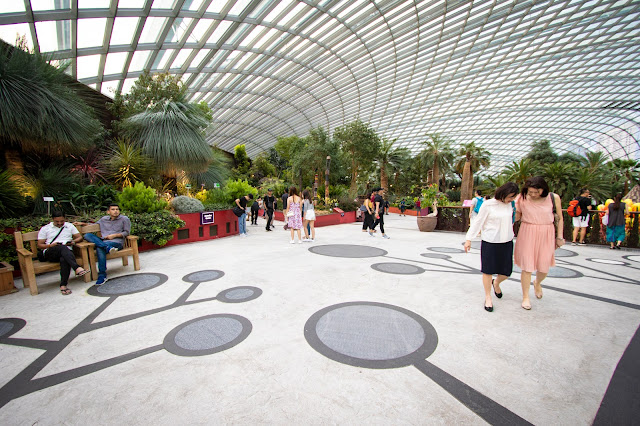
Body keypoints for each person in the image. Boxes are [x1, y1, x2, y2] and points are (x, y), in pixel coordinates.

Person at [464, 182, 519, 312]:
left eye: (513, 197)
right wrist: (468, 239)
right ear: (503, 193)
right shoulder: (488, 205)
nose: (511, 199)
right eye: (510, 196)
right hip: (490, 241)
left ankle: (497, 283)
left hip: (506, 241)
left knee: (506, 272)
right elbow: (478, 222)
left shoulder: (510, 205)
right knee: (488, 270)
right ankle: (488, 297)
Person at [514, 176, 564, 310]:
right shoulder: (521, 198)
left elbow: (559, 218)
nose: (533, 195)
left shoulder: (554, 198)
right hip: (527, 231)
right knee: (527, 266)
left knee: (544, 266)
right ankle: (526, 297)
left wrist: (559, 236)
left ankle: (537, 282)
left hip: (546, 232)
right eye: (530, 192)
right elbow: (517, 215)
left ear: (544, 189)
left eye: (536, 192)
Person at [37, 210, 89, 295]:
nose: (59, 223)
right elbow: (40, 245)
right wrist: (51, 245)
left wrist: (73, 242)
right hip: (51, 252)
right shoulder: (46, 229)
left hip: (66, 253)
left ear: (65, 219)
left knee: (64, 258)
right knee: (62, 248)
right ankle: (76, 267)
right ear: (53, 219)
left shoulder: (69, 226)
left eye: (62, 221)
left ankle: (63, 285)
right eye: (57, 221)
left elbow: (79, 238)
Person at [83, 203, 131, 286]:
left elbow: (127, 232)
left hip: (116, 243)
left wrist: (114, 235)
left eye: (117, 209)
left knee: (99, 248)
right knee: (87, 235)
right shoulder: (103, 219)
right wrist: (82, 224)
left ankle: (102, 274)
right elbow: (93, 225)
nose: (115, 211)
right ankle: (107, 248)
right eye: (113, 209)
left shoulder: (124, 219)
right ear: (108, 211)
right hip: (104, 242)